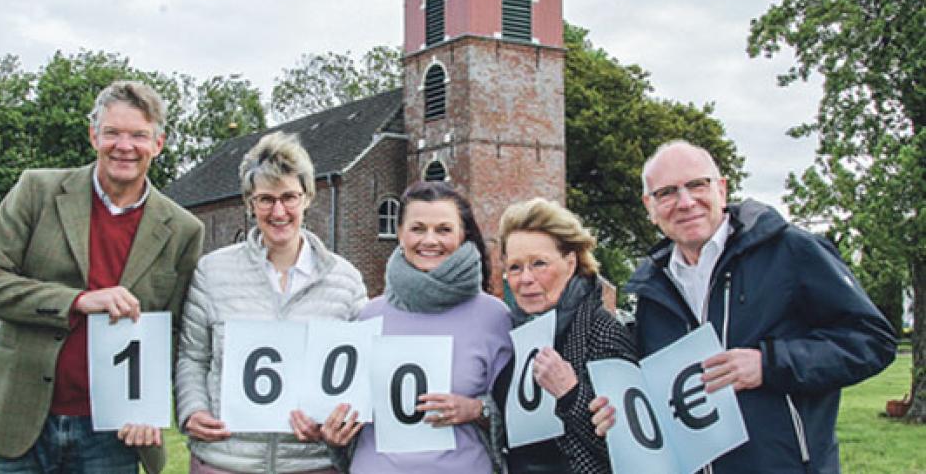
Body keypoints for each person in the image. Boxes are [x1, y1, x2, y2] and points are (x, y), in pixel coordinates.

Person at [589, 140, 897, 473]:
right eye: (667, 193)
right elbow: (659, 389)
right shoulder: (651, 287)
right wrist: (621, 410)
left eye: (697, 185)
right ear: (649, 207)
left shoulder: (791, 250)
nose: (685, 202)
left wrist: (769, 364)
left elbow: (873, 340)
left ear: (721, 189)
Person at [0, 81, 204, 473]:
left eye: (139, 135)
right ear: (94, 136)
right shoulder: (36, 191)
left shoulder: (183, 229)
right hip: (24, 421)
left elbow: (173, 333)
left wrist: (150, 410)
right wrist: (75, 301)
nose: (124, 146)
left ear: (158, 144)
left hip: (113, 434)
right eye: (112, 133)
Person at [175, 131, 367, 474]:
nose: (279, 211)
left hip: (311, 463)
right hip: (226, 460)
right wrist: (193, 410)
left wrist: (333, 425)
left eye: (289, 197)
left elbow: (359, 372)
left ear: (308, 198)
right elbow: (193, 355)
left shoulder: (345, 281)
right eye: (265, 199)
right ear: (250, 203)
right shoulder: (213, 271)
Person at [320, 181, 513, 474]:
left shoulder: (494, 317)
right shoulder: (368, 316)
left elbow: (518, 415)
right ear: (400, 234)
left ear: (464, 236)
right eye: (418, 228)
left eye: (444, 229)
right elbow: (348, 410)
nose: (430, 240)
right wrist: (335, 435)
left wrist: (477, 410)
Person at [492, 198, 636, 474]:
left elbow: (631, 448)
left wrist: (571, 393)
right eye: (515, 267)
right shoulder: (512, 333)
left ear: (570, 264)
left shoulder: (603, 331)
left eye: (539, 264)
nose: (525, 279)